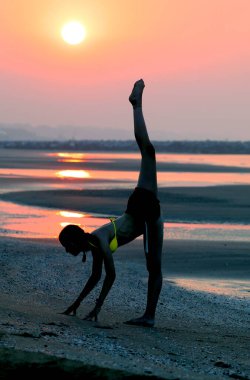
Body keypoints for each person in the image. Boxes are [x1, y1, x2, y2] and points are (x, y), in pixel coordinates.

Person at [59, 79, 163, 327]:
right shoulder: (95, 243)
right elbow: (96, 277)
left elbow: (111, 275)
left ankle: (149, 316)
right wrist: (76, 304)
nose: (67, 251)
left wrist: (97, 307)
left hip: (144, 212)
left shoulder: (100, 240)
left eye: (67, 246)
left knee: (154, 267)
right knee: (148, 153)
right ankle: (136, 106)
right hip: (139, 208)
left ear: (76, 241)